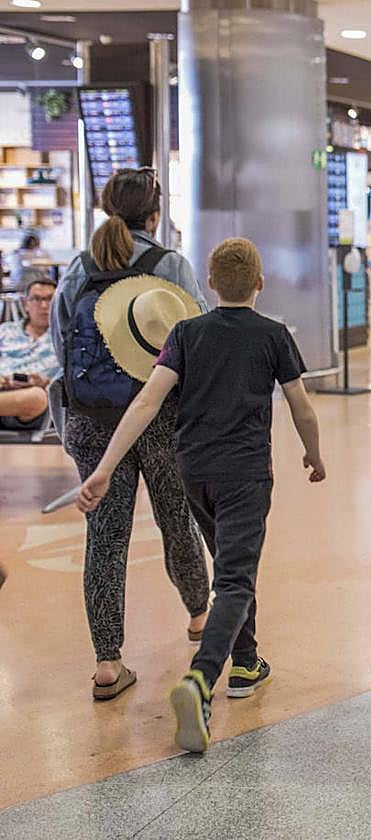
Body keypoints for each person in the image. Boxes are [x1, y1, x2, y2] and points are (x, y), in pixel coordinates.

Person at [76, 237, 325, 753]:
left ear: (210, 284)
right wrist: (314, 454)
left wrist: (104, 468)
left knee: (228, 561)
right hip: (246, 473)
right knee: (235, 579)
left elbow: (148, 400)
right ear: (259, 283)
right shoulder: (274, 335)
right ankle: (201, 678)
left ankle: (247, 660)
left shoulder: (186, 333)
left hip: (195, 473)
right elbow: (300, 403)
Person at [51, 167, 211, 700]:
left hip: (92, 421)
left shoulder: (77, 269)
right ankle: (197, 614)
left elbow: (60, 348)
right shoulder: (170, 266)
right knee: (176, 518)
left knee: (106, 535)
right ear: (154, 213)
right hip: (162, 415)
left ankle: (106, 662)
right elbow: (196, 338)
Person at [0, 273, 59, 430]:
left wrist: (45, 382)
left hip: (30, 404)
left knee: (36, 397)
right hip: (3, 393)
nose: (44, 306)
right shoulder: (5, 331)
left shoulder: (63, 338)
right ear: (26, 304)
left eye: (49, 299)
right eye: (37, 299)